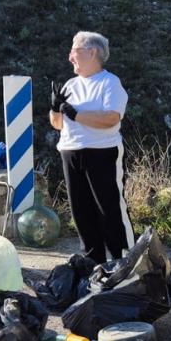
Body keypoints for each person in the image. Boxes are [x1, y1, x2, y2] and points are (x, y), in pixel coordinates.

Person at [48, 31, 135, 265]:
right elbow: (57, 125)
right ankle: (93, 264)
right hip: (70, 151)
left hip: (101, 153)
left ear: (92, 52)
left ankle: (125, 261)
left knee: (109, 210)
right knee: (81, 213)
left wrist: (76, 114)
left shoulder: (110, 82)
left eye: (73, 50)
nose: (69, 57)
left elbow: (111, 118)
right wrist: (56, 109)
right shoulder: (70, 84)